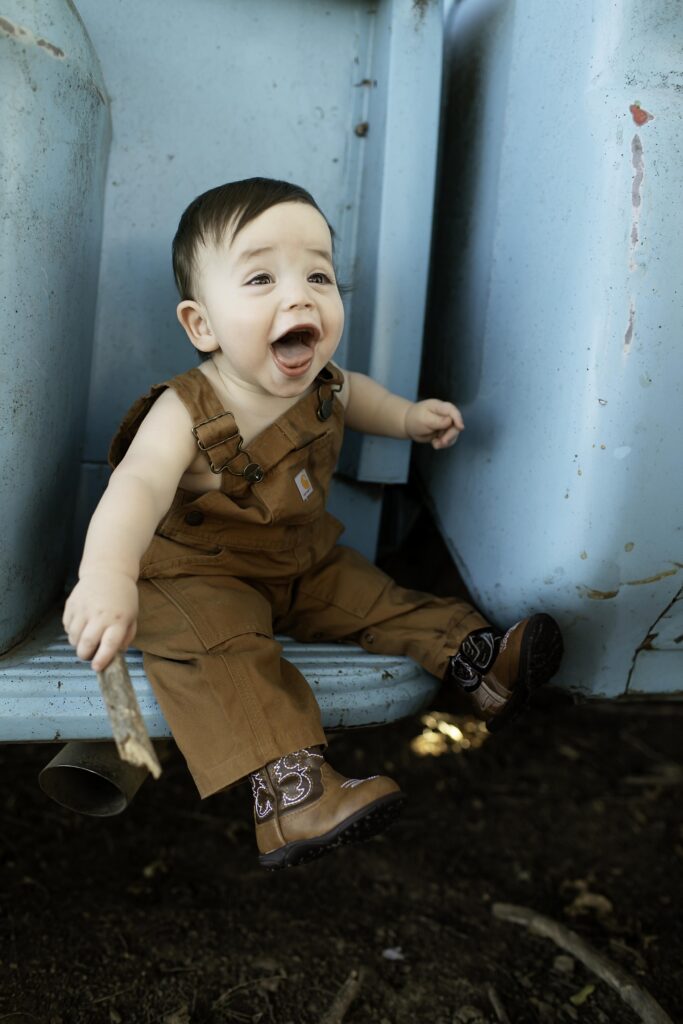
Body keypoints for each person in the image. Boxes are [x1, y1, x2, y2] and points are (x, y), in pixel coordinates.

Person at [63, 178, 563, 870]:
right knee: (227, 652)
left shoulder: (323, 382)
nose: (298, 296)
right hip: (191, 576)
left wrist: (409, 418)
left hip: (297, 560)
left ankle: (477, 662)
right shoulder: (186, 409)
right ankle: (291, 797)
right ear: (201, 324)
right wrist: (107, 576)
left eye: (319, 275)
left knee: (372, 595)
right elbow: (137, 487)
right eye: (261, 276)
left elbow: (362, 400)